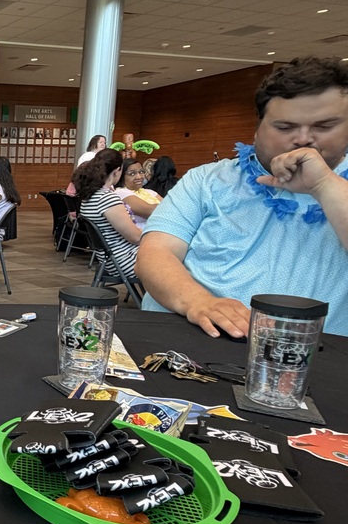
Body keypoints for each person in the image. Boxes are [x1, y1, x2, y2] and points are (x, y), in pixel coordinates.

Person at [137, 56, 348, 338]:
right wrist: (198, 301)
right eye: (285, 127)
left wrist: (323, 185)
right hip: (196, 339)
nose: (303, 139)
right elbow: (155, 252)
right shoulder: (207, 180)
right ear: (257, 129)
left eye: (324, 126)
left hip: (315, 355)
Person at [74, 149, 141, 279]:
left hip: (110, 260)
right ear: (117, 171)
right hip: (127, 260)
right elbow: (135, 238)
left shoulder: (89, 196)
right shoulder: (107, 199)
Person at [114, 158, 162, 229]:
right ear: (121, 176)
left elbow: (172, 208)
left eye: (141, 172)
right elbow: (151, 211)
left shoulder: (150, 191)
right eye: (132, 174)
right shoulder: (120, 192)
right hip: (143, 234)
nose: (139, 177)